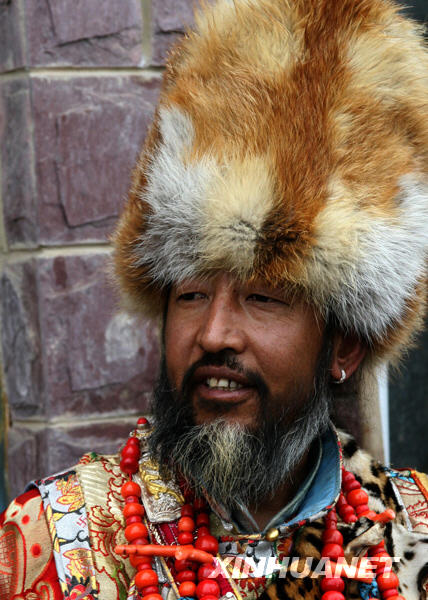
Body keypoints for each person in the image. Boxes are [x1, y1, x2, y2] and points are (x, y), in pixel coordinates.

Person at [1, 0, 427, 599]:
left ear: (345, 346)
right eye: (193, 293)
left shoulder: (412, 530)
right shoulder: (52, 539)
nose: (213, 333)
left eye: (263, 297)